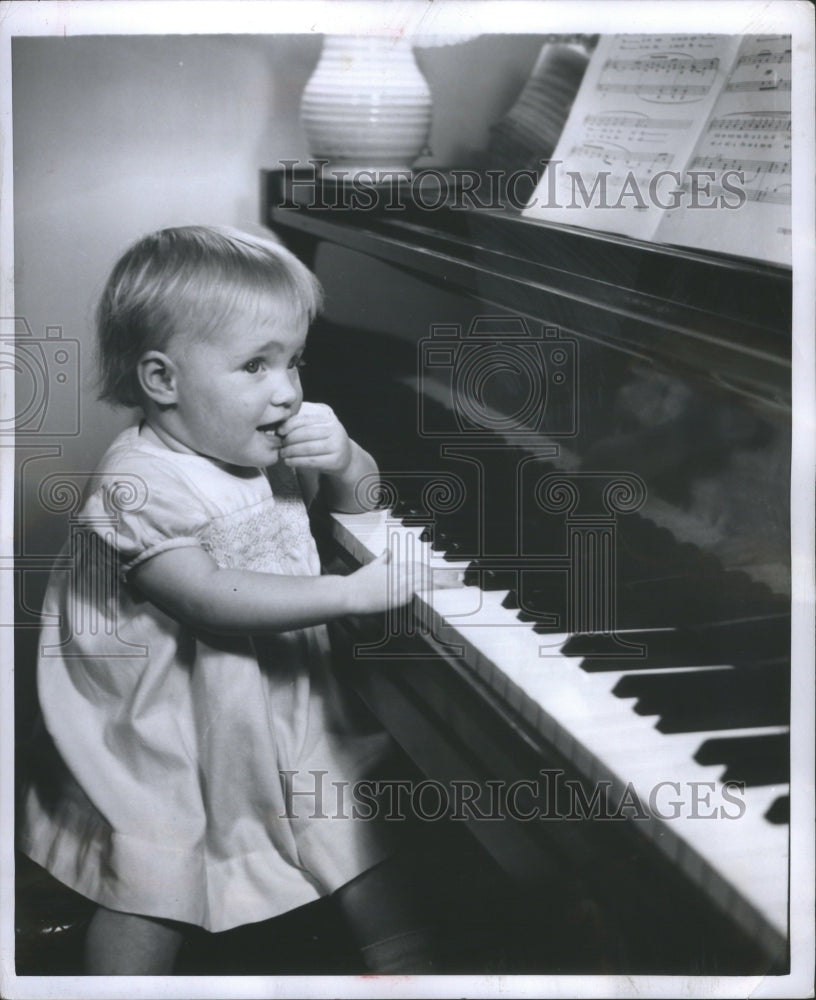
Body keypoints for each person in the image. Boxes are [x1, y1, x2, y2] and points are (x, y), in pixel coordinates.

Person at [19, 225, 448, 974]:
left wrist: (348, 461)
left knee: (353, 825)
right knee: (154, 881)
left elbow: (361, 508)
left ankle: (411, 967)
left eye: (294, 361)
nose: (286, 390)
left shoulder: (253, 441)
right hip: (168, 721)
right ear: (162, 380)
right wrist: (347, 593)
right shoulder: (138, 481)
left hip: (272, 696)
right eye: (256, 365)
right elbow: (208, 599)